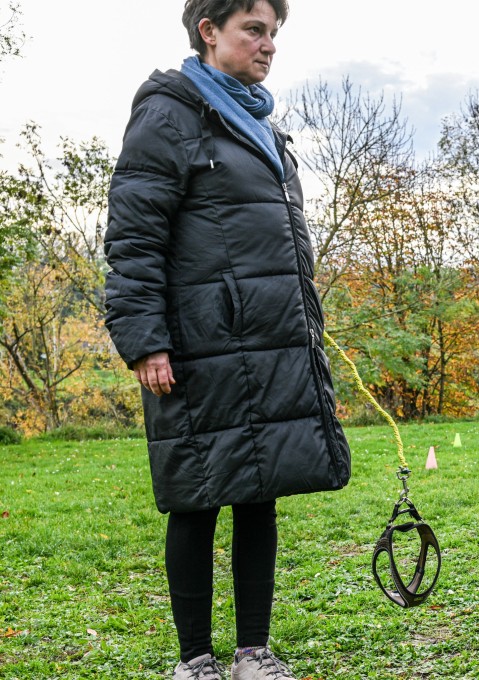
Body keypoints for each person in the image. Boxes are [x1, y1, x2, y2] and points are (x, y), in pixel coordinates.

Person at [103, 1, 351, 678]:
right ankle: (195, 661)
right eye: (254, 30)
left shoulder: (258, 123)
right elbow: (133, 240)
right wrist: (144, 339)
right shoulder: (169, 113)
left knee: (258, 491)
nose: (268, 45)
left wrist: (307, 339)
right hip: (195, 348)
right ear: (209, 31)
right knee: (195, 496)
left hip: (268, 342)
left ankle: (253, 652)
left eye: (274, 33)